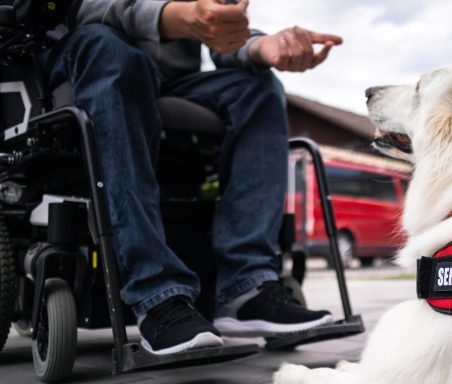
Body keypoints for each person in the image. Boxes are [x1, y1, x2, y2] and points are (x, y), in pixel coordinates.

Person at [39, 0, 343, 355]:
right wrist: (174, 18)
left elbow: (223, 35)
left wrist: (260, 45)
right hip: (85, 61)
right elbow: (82, 10)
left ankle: (245, 288)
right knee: (109, 49)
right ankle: (157, 296)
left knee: (258, 87)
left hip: (170, 82)